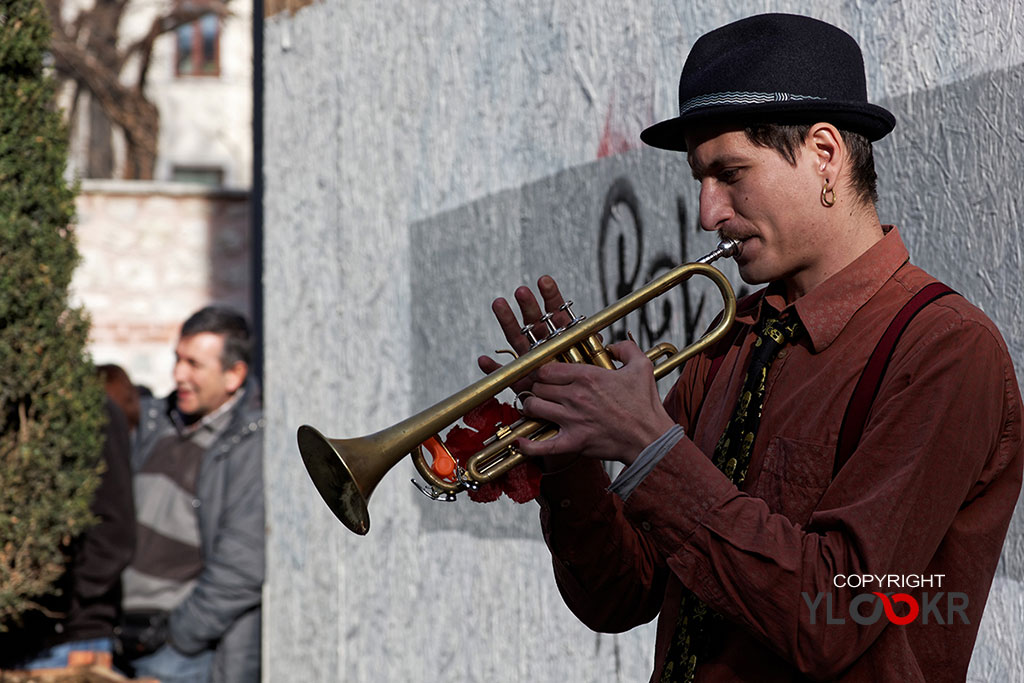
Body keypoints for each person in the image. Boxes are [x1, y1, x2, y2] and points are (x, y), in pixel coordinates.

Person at [479, 13, 1023, 682]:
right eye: (700, 181)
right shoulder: (729, 338)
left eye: (730, 173)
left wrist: (654, 451)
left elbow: (836, 614)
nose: (708, 212)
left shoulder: (945, 350)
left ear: (824, 153)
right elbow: (621, 594)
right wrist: (570, 449)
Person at [117, 306, 264, 683]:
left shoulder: (250, 444)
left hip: (179, 656)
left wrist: (180, 636)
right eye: (178, 359)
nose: (178, 374)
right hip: (119, 639)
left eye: (194, 364)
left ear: (234, 375)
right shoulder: (154, 421)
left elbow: (243, 565)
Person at [0, 398, 135, 672]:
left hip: (68, 642)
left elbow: (114, 533)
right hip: (15, 641)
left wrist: (57, 598)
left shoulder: (88, 411)